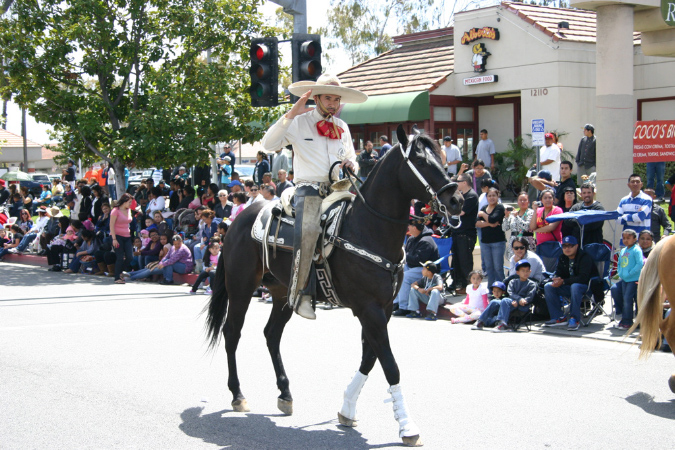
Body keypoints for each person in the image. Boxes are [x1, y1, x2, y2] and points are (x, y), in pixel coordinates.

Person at [260, 73, 365, 319]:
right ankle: (301, 293)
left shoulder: (343, 127)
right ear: (316, 98)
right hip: (308, 189)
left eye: (336, 99)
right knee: (308, 230)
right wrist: (290, 114)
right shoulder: (299, 122)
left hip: (339, 189)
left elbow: (353, 159)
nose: (332, 103)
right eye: (328, 98)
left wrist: (352, 165)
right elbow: (268, 144)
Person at [543, 235, 599, 331]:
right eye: (564, 246)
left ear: (576, 246)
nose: (567, 248)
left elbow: (583, 278)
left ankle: (575, 319)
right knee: (548, 286)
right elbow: (559, 273)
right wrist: (556, 280)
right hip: (568, 286)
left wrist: (564, 281)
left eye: (570, 246)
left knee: (575, 286)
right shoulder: (562, 258)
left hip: (585, 287)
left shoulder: (584, 257)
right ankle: (558, 317)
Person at [474, 261, 538, 332]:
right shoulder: (513, 282)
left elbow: (530, 296)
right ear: (517, 272)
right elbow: (511, 293)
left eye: (527, 271)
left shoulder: (532, 284)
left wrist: (521, 301)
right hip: (511, 303)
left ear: (530, 271)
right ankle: (481, 321)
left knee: (505, 300)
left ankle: (502, 324)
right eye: (523, 271)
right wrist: (518, 299)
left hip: (523, 306)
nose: (525, 273)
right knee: (494, 301)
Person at [392, 221, 439, 316]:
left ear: (415, 227)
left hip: (425, 269)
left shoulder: (426, 241)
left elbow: (418, 260)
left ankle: (404, 307)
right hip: (412, 266)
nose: (408, 227)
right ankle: (396, 302)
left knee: (404, 277)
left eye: (409, 225)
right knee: (396, 271)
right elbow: (407, 256)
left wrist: (403, 255)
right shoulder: (411, 239)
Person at [449, 172, 479, 295]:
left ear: (465, 182)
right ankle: (458, 283)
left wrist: (450, 210)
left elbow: (460, 212)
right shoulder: (461, 195)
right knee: (456, 260)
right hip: (456, 232)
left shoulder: (471, 196)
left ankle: (468, 287)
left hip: (466, 235)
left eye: (458, 181)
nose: (456, 184)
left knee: (465, 262)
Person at [125, 234, 193, 284]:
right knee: (150, 269)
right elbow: (166, 256)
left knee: (161, 266)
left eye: (179, 243)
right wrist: (160, 263)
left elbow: (172, 260)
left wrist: (163, 264)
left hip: (184, 267)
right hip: (173, 265)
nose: (177, 245)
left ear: (181, 241)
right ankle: (130, 274)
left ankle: (168, 280)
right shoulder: (172, 247)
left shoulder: (182, 249)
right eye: (175, 244)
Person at [611, 229, 644, 330]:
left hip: (633, 280)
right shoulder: (623, 250)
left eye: (628, 238)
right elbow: (620, 263)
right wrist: (620, 273)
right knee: (625, 299)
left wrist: (630, 273)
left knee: (628, 299)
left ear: (634, 239)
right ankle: (625, 319)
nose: (626, 240)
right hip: (625, 279)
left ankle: (627, 321)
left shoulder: (636, 249)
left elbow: (640, 263)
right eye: (624, 238)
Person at [476, 187, 506, 289]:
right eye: (489, 196)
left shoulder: (500, 208)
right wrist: (490, 224)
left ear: (498, 196)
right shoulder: (483, 207)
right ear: (486, 197)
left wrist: (483, 215)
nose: (491, 198)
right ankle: (491, 289)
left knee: (498, 267)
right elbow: (476, 223)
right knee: (489, 267)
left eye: (494, 195)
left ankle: (501, 288)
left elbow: (493, 219)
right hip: (485, 242)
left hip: (498, 242)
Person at [503, 192, 536, 260]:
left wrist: (517, 217)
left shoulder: (531, 212)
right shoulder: (513, 213)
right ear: (517, 202)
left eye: (524, 200)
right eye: (520, 200)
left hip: (526, 243)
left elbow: (526, 227)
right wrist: (506, 217)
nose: (522, 202)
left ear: (528, 202)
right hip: (514, 244)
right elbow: (504, 228)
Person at [110, 194, 134, 284]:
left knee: (130, 257)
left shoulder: (129, 210)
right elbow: (111, 225)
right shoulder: (115, 211)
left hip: (127, 236)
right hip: (117, 235)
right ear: (124, 201)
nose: (130, 204)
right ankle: (117, 277)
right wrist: (114, 238)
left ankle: (120, 272)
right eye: (129, 202)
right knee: (120, 257)